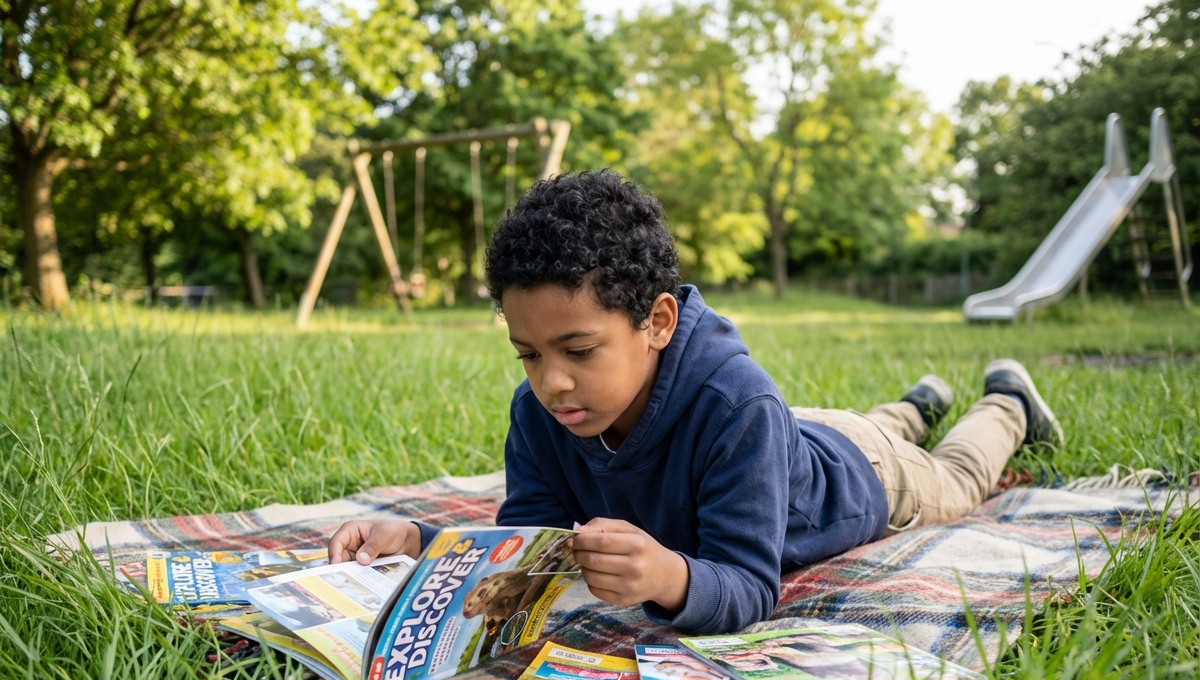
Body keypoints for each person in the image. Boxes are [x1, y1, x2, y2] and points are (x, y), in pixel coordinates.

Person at [329, 171, 1062, 635]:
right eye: (529, 354)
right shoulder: (540, 415)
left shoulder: (737, 407)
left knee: (956, 475)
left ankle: (1006, 404)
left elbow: (748, 585)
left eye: (579, 351)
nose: (551, 383)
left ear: (657, 322)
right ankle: (915, 403)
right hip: (794, 436)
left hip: (865, 477)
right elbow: (528, 550)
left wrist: (668, 577)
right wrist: (419, 541)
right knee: (862, 425)